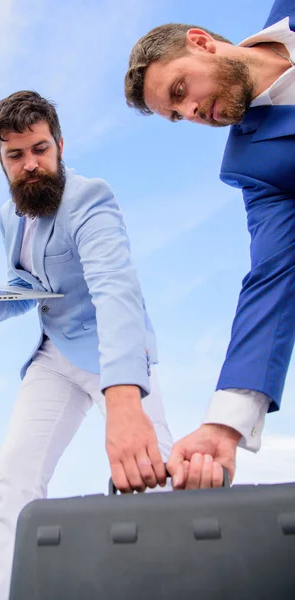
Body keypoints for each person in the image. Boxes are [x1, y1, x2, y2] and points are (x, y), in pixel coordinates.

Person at [0, 90, 173, 600]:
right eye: (16, 155)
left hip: (114, 353)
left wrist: (123, 394)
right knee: (14, 479)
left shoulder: (90, 198)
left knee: (155, 479)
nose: (31, 165)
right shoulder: (10, 216)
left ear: (60, 145)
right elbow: (27, 286)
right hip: (53, 355)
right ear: (1, 161)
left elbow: (116, 290)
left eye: (40, 149)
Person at [124, 0, 295, 489]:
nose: (192, 111)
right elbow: (272, 279)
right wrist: (224, 425)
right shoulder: (251, 165)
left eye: (181, 90)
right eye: (177, 114)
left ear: (200, 41)